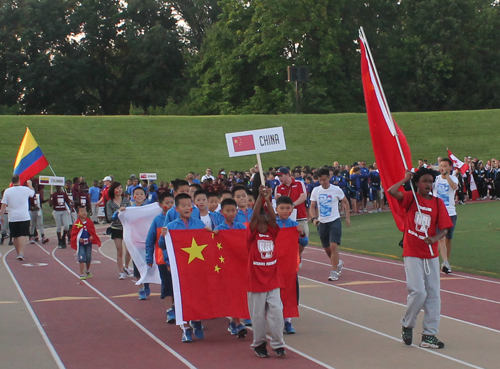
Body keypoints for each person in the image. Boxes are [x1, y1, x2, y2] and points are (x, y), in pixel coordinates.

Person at [388, 169, 453, 349]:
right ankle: (407, 324)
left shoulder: (438, 204)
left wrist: (434, 238)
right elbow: (392, 192)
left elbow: (445, 228)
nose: (428, 185)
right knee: (418, 292)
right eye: (424, 181)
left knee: (433, 295)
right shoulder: (411, 199)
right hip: (412, 252)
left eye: (430, 182)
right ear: (417, 183)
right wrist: (404, 179)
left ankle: (429, 335)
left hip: (431, 254)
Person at [162, 193, 210, 343]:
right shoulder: (171, 226)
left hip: (197, 267)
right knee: (181, 296)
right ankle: (185, 327)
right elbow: (163, 246)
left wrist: (211, 233)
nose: (187, 208)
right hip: (179, 268)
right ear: (176, 209)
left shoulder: (199, 224)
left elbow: (208, 244)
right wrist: (168, 261)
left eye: (189, 205)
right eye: (183, 205)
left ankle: (196, 320)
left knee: (197, 295)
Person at [247, 186, 286, 358]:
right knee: (257, 317)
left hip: (272, 281)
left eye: (265, 223)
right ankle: (259, 343)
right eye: (259, 224)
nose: (262, 225)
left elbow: (271, 217)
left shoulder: (272, 233)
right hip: (255, 282)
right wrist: (259, 199)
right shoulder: (252, 236)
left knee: (277, 313)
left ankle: (278, 343)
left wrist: (268, 199)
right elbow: (255, 217)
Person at [213, 198, 248, 338]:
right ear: (222, 212)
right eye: (228, 211)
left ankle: (236, 322)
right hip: (225, 267)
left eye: (233, 210)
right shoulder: (219, 229)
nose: (231, 213)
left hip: (240, 266)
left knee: (240, 293)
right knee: (231, 293)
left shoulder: (241, 228)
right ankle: (236, 322)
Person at [310, 168, 351, 281]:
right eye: (320, 180)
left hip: (334, 220)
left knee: (333, 246)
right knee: (327, 249)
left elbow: (346, 202)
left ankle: (334, 271)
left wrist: (347, 217)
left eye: (325, 179)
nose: (323, 182)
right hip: (322, 222)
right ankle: (337, 263)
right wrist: (313, 218)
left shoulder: (336, 189)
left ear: (329, 178)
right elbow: (312, 207)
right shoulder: (316, 191)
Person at [275, 195, 308, 334]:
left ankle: (287, 321)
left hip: (289, 267)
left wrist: (301, 234)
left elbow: (304, 242)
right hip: (274, 266)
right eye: (282, 208)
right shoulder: (272, 225)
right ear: (276, 209)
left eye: (287, 208)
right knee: (275, 294)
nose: (284, 211)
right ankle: (275, 320)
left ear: (292, 209)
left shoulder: (294, 225)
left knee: (290, 292)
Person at [145, 192, 176, 323]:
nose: (169, 205)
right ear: (160, 205)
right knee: (167, 284)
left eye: (171, 203)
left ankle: (177, 307)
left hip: (178, 258)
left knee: (178, 285)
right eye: (167, 203)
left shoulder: (178, 218)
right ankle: (169, 310)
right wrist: (149, 257)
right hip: (162, 258)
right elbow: (150, 239)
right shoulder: (157, 220)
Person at [432, 158, 458, 274]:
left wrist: (447, 176)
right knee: (440, 238)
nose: (442, 168)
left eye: (445, 166)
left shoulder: (453, 178)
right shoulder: (436, 180)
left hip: (450, 212)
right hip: (438, 213)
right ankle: (441, 262)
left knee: (448, 238)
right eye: (441, 165)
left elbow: (454, 187)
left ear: (450, 167)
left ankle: (445, 261)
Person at [0, 176, 35, 260]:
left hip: (13, 217)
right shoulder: (25, 189)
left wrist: (1, 216)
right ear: (19, 181)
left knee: (15, 235)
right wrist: (30, 185)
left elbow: (4, 205)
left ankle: (18, 252)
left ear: (11, 182)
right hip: (24, 216)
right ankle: (21, 253)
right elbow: (33, 193)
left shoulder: (7, 191)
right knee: (23, 235)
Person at [106, 181, 133, 280]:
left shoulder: (126, 200)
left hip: (126, 227)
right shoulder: (110, 203)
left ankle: (127, 267)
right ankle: (121, 271)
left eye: (121, 188)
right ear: (113, 190)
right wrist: (118, 211)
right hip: (116, 228)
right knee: (119, 250)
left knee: (129, 250)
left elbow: (131, 213)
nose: (119, 190)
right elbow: (109, 217)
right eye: (117, 188)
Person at [275, 167, 309, 241]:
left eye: (281, 176)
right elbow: (278, 203)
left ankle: (299, 253)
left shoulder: (299, 183)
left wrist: (292, 205)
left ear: (287, 175)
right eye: (278, 176)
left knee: (303, 238)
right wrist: (278, 198)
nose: (279, 178)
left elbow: (303, 196)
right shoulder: (278, 187)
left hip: (300, 216)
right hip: (286, 219)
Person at [70, 206, 101, 280]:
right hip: (80, 244)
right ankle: (82, 273)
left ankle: (87, 270)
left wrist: (91, 237)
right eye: (82, 211)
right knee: (82, 257)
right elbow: (74, 233)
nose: (84, 213)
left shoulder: (89, 222)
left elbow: (92, 231)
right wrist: (78, 238)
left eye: (85, 211)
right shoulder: (77, 223)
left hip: (88, 243)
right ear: (78, 213)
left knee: (88, 257)